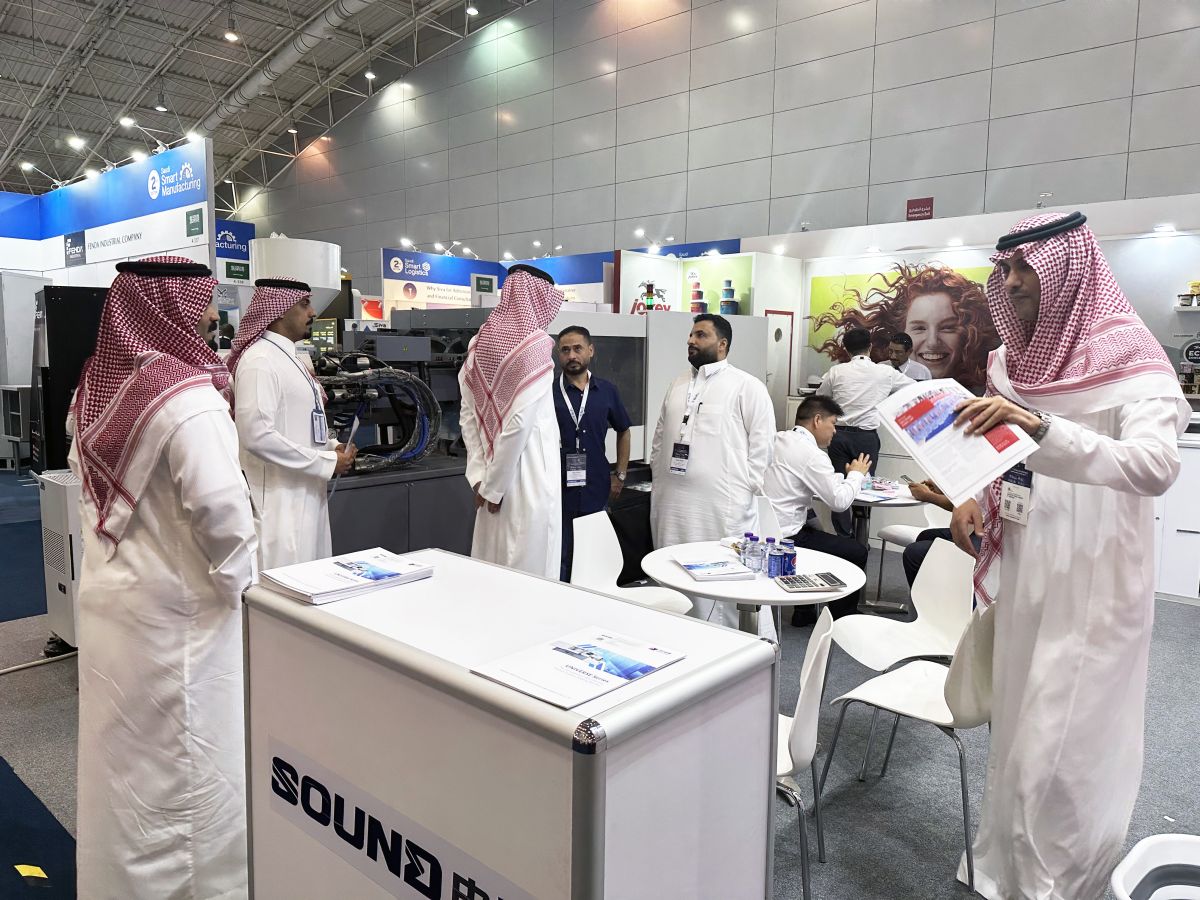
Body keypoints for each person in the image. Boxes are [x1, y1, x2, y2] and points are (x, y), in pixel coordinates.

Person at [948, 211, 1188, 899]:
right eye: (1006, 269)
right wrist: (969, 495)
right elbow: (995, 448)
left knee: (1061, 748)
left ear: (1069, 270)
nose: (1011, 282)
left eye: (1027, 267)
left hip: (1096, 578)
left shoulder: (1130, 355)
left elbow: (1155, 466)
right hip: (1026, 563)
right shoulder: (1010, 362)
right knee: (1015, 729)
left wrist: (1045, 429)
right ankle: (1004, 870)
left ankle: (1058, 883)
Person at [68, 256, 258, 899]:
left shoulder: (96, 390)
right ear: (173, 308)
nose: (208, 318)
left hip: (113, 609)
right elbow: (225, 517)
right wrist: (244, 596)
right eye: (200, 305)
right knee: (189, 769)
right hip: (183, 619)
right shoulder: (189, 401)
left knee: (125, 766)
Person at [650, 314, 775, 634]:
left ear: (722, 344)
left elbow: (763, 443)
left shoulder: (746, 386)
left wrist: (746, 486)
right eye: (691, 335)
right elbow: (661, 434)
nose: (691, 340)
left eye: (700, 335)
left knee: (720, 578)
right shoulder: (678, 383)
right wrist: (658, 473)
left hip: (722, 507)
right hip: (672, 503)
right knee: (673, 570)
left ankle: (727, 642)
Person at [229, 277, 355, 570]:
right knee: (283, 589)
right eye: (304, 304)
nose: (313, 313)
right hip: (279, 508)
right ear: (280, 310)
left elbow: (299, 421)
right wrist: (325, 462)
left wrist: (331, 447)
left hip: (308, 497)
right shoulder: (260, 361)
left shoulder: (290, 357)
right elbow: (256, 435)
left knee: (314, 581)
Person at [459, 264, 564, 578]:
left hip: (489, 477)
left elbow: (468, 417)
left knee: (490, 571)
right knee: (529, 572)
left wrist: (480, 477)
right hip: (528, 478)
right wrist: (495, 488)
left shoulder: (479, 344)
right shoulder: (535, 347)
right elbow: (518, 425)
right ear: (537, 297)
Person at [764, 395, 871, 624]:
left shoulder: (778, 439)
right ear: (817, 420)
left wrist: (843, 478)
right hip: (787, 536)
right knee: (855, 551)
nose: (835, 431)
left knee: (818, 530)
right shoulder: (812, 454)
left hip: (763, 528)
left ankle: (804, 612)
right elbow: (839, 502)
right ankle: (842, 617)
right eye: (833, 423)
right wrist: (856, 475)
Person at [812, 262, 1000, 392]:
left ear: (969, 334)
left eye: (947, 327)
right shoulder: (882, 371)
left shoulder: (983, 393)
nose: (932, 342)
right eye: (919, 328)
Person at [553, 325, 633, 581]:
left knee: (593, 553)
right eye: (565, 350)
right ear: (558, 354)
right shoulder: (548, 393)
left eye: (577, 349)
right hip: (557, 489)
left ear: (591, 350)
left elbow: (624, 430)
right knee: (561, 554)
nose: (571, 356)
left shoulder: (607, 391)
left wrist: (620, 475)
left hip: (596, 487)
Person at [816, 327, 913, 536]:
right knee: (866, 488)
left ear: (846, 349)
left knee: (838, 486)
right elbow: (912, 388)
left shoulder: (836, 372)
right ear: (870, 347)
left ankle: (844, 538)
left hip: (838, 436)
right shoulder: (885, 372)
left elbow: (820, 397)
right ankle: (861, 537)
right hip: (866, 438)